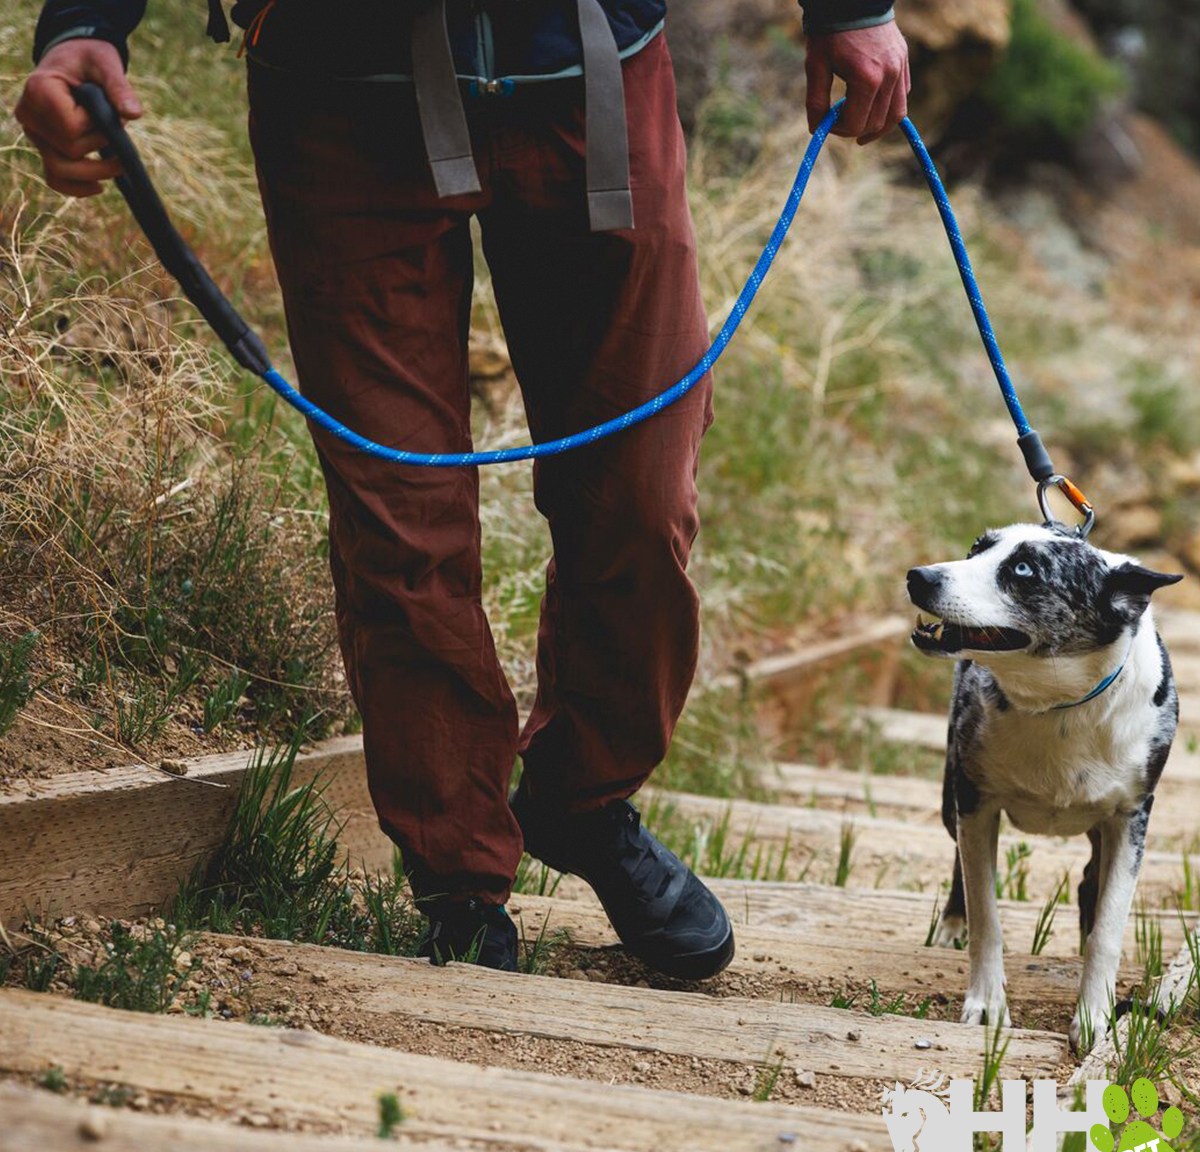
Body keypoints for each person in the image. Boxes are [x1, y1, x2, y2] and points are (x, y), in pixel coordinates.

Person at [16, 0, 909, 977]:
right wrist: (85, 19)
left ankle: (582, 803)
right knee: (401, 518)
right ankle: (458, 877)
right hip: (339, 83)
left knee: (642, 494)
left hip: (591, 68)